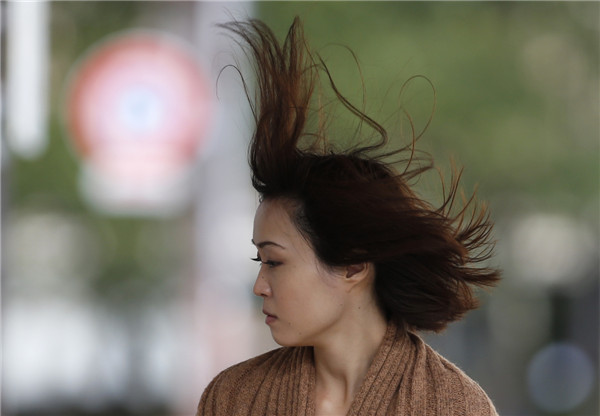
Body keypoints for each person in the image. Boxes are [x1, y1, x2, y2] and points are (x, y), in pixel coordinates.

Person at [197, 16, 500, 416]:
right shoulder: (235, 398)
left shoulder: (455, 406)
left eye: (274, 261)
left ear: (354, 264)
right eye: (259, 261)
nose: (259, 286)